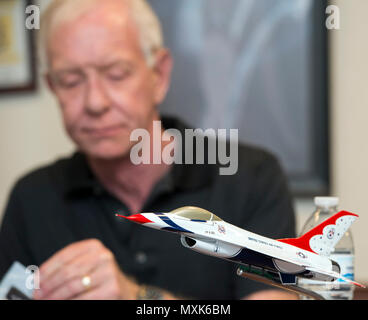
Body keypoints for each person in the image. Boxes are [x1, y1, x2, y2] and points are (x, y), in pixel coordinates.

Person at [0, 0, 297, 300]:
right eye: (71, 80)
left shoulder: (251, 179)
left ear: (159, 75)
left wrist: (137, 296)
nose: (95, 102)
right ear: (53, 86)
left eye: (116, 74)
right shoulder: (32, 198)